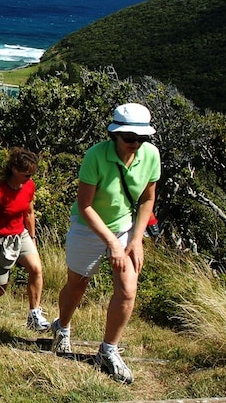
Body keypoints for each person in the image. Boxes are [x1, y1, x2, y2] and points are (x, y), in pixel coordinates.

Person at [52, 103, 161, 385]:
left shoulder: (150, 155)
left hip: (124, 227)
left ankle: (108, 351)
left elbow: (148, 199)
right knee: (78, 284)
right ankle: (62, 327)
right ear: (115, 134)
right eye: (129, 138)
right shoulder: (96, 156)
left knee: (127, 290)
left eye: (141, 138)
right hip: (88, 228)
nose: (135, 144)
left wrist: (136, 240)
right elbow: (85, 206)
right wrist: (111, 243)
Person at [0, 147, 50, 331]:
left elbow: (29, 213)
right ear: (14, 170)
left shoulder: (29, 186)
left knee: (36, 269)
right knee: (0, 287)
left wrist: (33, 238)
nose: (30, 177)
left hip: (21, 235)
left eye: (32, 173)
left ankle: (34, 315)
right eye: (26, 174)